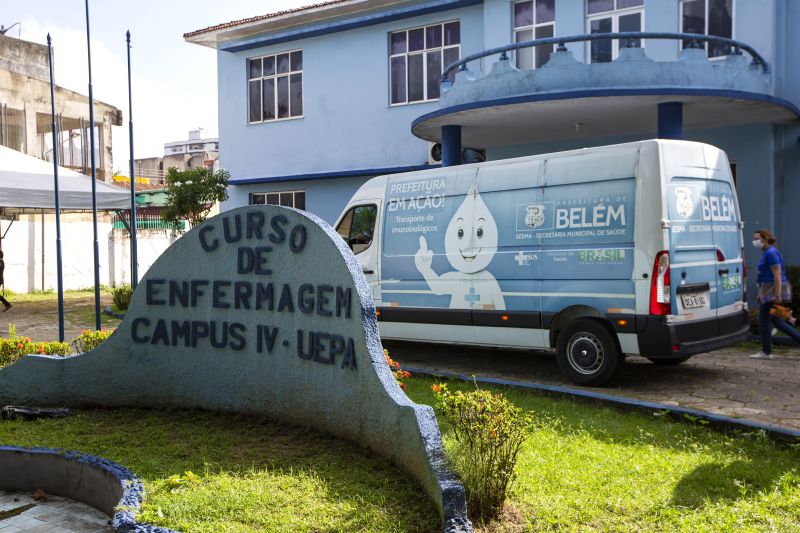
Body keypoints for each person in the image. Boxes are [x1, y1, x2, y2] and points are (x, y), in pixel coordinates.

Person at [750, 229, 800, 359]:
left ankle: (766, 352)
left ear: (765, 239)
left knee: (764, 320)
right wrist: (760, 294)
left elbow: (777, 275)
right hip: (768, 290)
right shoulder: (766, 252)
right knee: (777, 322)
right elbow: (764, 276)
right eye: (754, 239)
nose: (754, 241)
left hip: (773, 291)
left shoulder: (771, 253)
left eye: (757, 239)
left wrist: (777, 295)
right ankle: (767, 351)